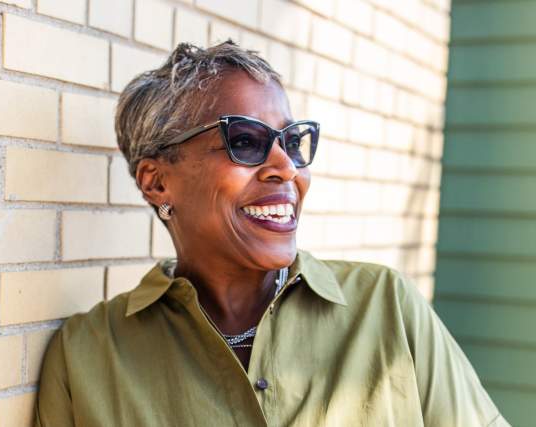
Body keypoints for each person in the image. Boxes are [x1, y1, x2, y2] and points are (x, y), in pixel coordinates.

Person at [33, 41, 508, 426]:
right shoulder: (87, 355)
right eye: (245, 141)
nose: (287, 168)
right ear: (157, 182)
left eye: (293, 141)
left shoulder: (387, 308)